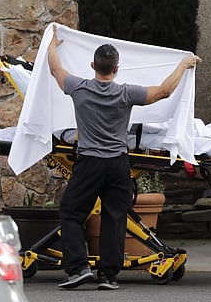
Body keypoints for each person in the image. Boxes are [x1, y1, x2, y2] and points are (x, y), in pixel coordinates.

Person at [47, 24, 201, 290]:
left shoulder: (78, 87)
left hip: (89, 163)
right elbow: (164, 91)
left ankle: (78, 269)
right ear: (117, 69)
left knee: (71, 212)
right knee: (115, 217)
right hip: (118, 164)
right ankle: (107, 276)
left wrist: (52, 44)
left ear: (92, 64)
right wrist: (184, 64)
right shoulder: (127, 92)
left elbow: (55, 69)